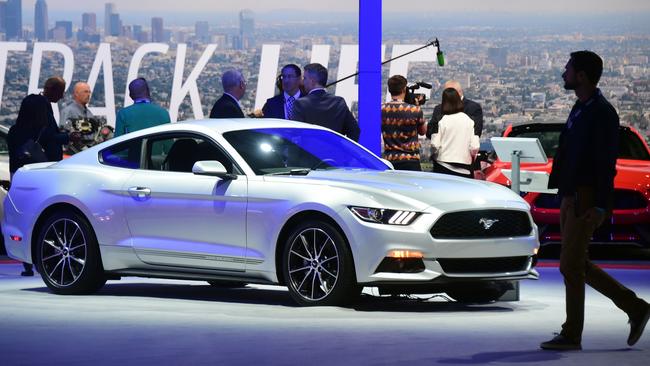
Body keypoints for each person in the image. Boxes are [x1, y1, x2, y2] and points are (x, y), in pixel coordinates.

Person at [540, 51, 650, 351]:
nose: (564, 73)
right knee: (574, 264)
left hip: (584, 197)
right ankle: (634, 307)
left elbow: (605, 163)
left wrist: (601, 205)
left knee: (570, 266)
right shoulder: (582, 106)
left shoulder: (601, 112)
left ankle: (572, 333)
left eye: (568, 69)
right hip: (571, 194)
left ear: (582, 76)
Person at [7, 94, 51, 276]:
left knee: (22, 221)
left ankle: (26, 262)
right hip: (42, 180)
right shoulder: (45, 132)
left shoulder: (14, 131)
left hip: (19, 180)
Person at [292, 63, 360, 141]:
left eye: (305, 78)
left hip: (307, 153)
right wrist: (344, 150)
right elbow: (354, 130)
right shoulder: (339, 102)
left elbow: (295, 134)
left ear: (312, 81)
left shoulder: (300, 104)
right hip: (333, 152)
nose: (302, 82)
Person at [430, 88, 479, 178]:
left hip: (443, 165)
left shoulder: (440, 120)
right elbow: (475, 146)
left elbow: (434, 144)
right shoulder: (470, 120)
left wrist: (435, 155)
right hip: (465, 167)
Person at [381, 75, 426, 171]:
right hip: (411, 160)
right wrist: (418, 107)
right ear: (404, 89)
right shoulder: (414, 110)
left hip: (390, 160)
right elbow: (423, 131)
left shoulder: (381, 109)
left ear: (389, 90)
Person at [39, 77, 72, 162]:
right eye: (60, 92)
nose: (61, 96)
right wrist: (68, 137)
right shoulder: (42, 107)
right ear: (51, 90)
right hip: (46, 160)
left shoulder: (43, 105)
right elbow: (46, 137)